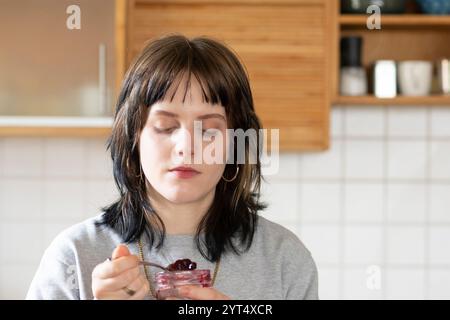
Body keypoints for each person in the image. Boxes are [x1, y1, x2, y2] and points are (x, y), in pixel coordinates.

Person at [26, 34, 318, 300]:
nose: (186, 146)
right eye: (166, 126)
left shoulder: (285, 260)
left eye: (209, 130)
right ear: (134, 137)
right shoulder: (74, 256)